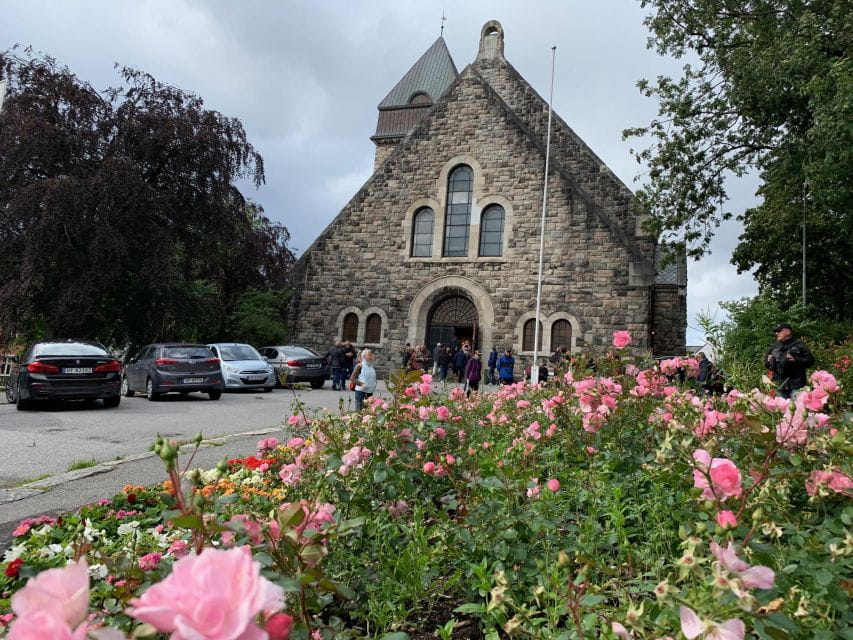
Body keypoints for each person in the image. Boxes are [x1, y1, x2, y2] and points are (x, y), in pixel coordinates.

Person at [764, 323, 814, 399]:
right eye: (776, 332)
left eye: (779, 331)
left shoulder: (800, 345)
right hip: (779, 385)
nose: (776, 333)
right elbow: (766, 365)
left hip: (796, 385)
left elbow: (811, 361)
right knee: (782, 410)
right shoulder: (773, 347)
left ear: (788, 332)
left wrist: (796, 360)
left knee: (798, 409)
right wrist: (768, 361)